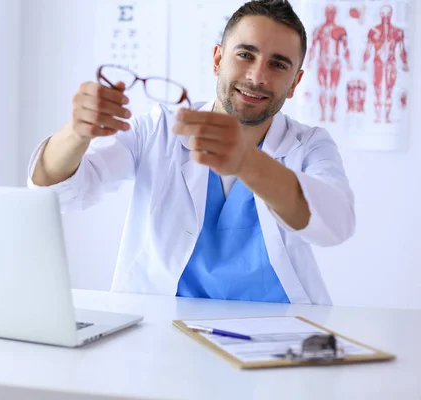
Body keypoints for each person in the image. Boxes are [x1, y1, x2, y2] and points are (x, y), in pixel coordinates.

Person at [28, 0, 355, 305]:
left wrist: (246, 160)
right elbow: (60, 196)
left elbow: (334, 225)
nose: (257, 77)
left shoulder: (310, 144)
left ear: (295, 82)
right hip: (164, 332)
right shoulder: (160, 130)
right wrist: (76, 132)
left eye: (278, 64)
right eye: (245, 55)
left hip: (279, 334)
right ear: (217, 59)